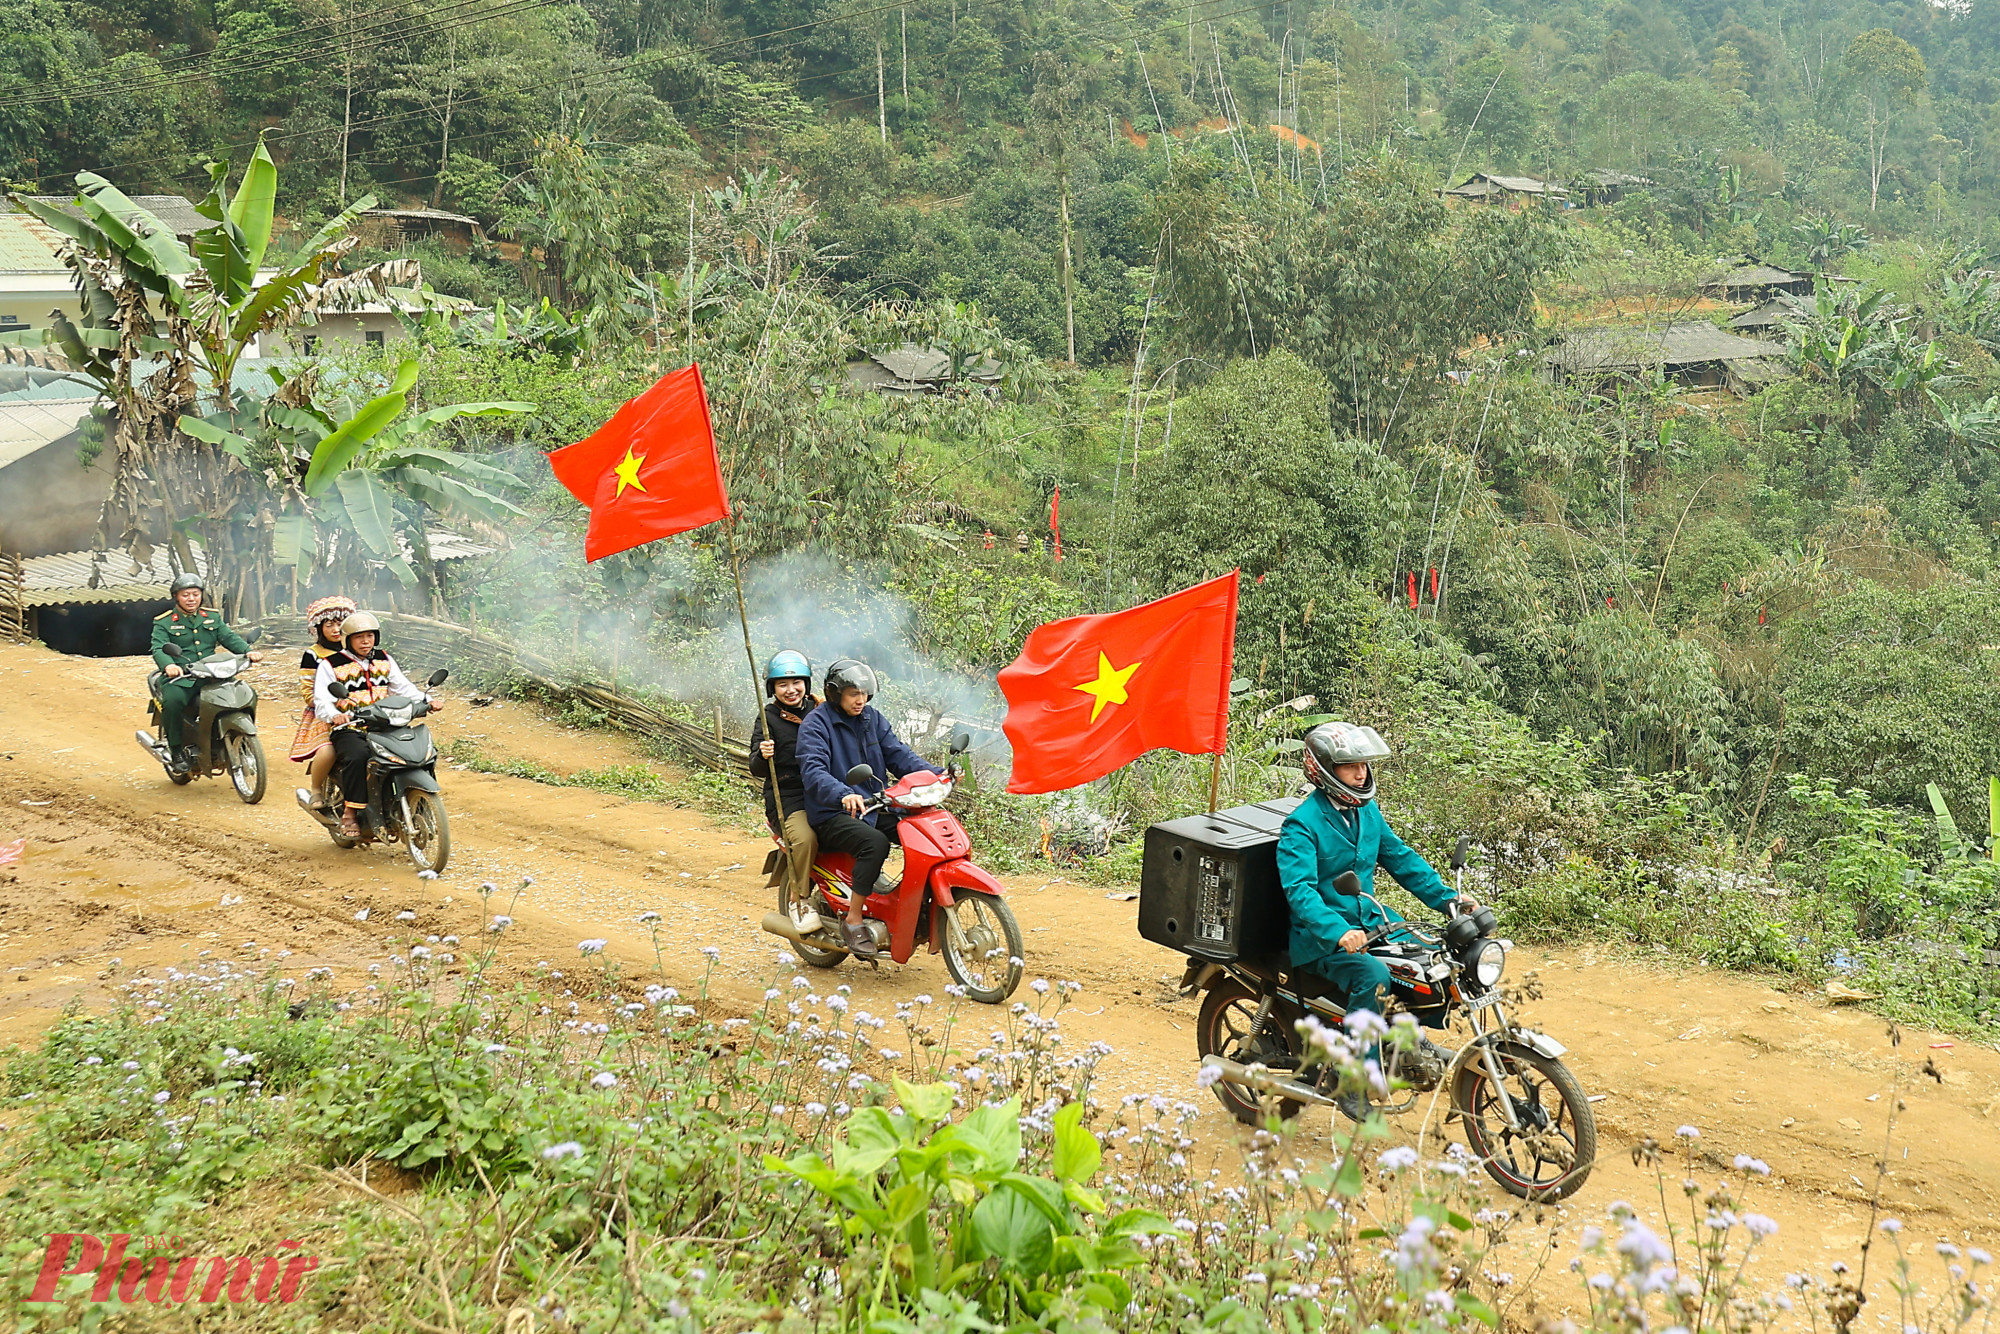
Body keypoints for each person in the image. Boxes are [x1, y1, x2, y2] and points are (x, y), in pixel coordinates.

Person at [1275, 721, 1476, 1115]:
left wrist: (1449, 901)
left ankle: (1410, 1037)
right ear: (1325, 770)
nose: (1361, 772)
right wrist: (1338, 932)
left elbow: (1401, 860)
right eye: (1350, 766)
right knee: (1374, 976)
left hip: (1371, 919)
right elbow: (1300, 892)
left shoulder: (1367, 812)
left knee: (1427, 956)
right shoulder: (1301, 825)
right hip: (1322, 938)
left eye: (1364, 764)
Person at [795, 658, 932, 960]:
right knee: (875, 843)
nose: (860, 700)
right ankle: (854, 919)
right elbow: (813, 770)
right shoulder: (815, 725)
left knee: (918, 830)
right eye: (852, 693)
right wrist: (842, 793)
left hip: (872, 804)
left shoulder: (873, 719)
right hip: (832, 812)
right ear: (834, 693)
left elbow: (899, 755)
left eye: (864, 693)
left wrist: (934, 774)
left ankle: (912, 905)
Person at [313, 612, 437, 841]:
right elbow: (322, 700)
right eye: (359, 637)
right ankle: (350, 812)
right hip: (352, 727)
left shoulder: (384, 659)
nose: (365, 641)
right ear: (348, 639)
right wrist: (335, 716)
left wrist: (428, 701)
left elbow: (404, 688)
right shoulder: (331, 664)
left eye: (369, 636)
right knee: (358, 756)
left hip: (385, 723)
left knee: (416, 751)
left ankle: (418, 803)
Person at [149, 572, 264, 773]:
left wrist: (248, 651)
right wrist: (169, 665)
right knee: (173, 702)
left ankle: (239, 738)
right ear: (176, 597)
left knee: (245, 693)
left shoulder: (211, 617)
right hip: (182, 677)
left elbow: (228, 637)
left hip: (212, 673)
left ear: (201, 595)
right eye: (186, 595)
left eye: (195, 594)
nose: (191, 599)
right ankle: (176, 750)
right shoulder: (165, 622)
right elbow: (159, 648)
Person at [749, 650, 821, 902]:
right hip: (789, 796)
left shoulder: (821, 709)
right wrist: (763, 754)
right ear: (773, 688)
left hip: (824, 790)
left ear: (806, 684)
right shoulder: (768, 718)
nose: (791, 690)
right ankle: (798, 897)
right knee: (805, 839)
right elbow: (755, 769)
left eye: (796, 682)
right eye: (782, 684)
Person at [290, 595, 356, 809]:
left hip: (359, 710)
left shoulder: (356, 651)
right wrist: (331, 706)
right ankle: (316, 789)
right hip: (323, 713)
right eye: (330, 625)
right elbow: (308, 691)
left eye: (340, 624)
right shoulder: (313, 654)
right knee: (328, 751)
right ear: (319, 628)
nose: (336, 629)